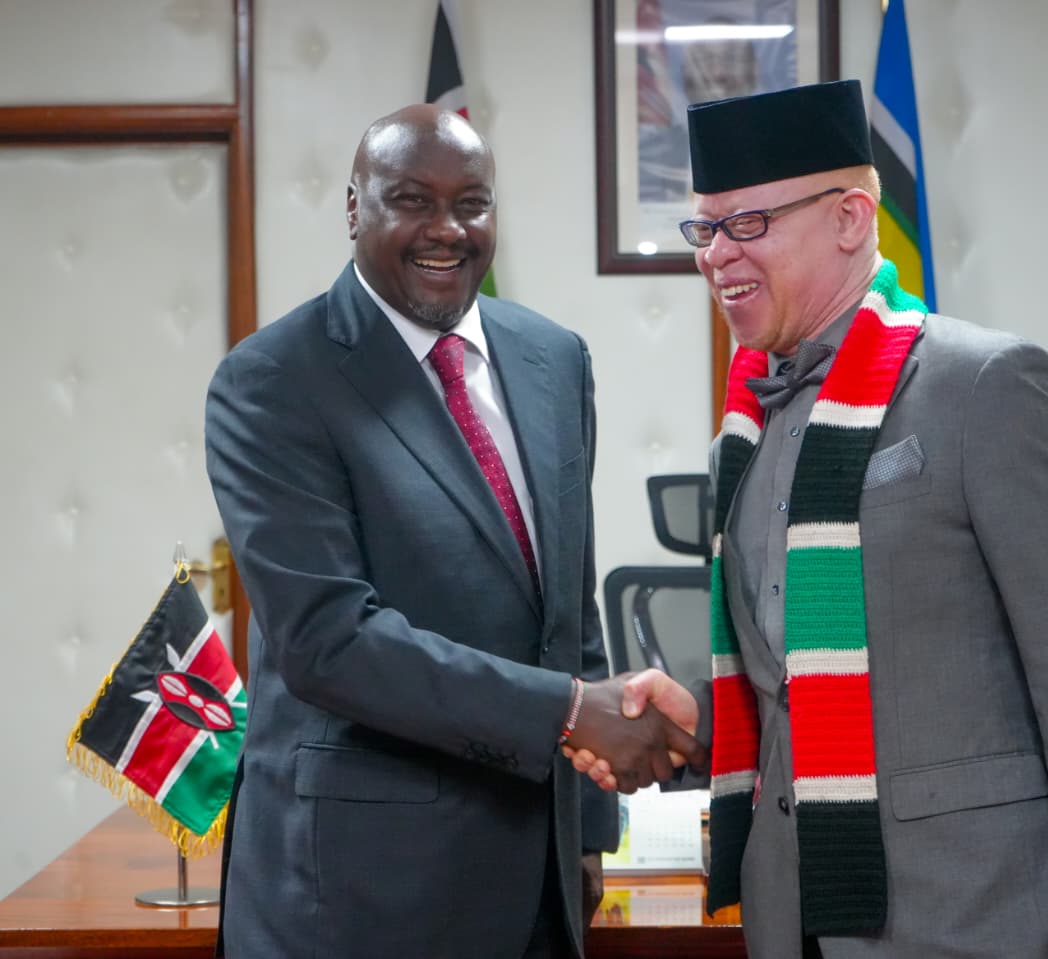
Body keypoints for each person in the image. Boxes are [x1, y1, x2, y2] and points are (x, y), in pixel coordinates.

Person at [568, 80, 1048, 959]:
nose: (717, 255)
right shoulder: (743, 434)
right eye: (705, 228)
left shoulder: (988, 387)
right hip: (794, 919)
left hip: (974, 919)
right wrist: (696, 720)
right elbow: (801, 688)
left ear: (850, 218)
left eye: (748, 223)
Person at [204, 103, 704, 959]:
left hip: (539, 888)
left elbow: (567, 611)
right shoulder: (273, 381)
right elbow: (331, 642)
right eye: (411, 200)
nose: (446, 229)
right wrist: (569, 713)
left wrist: (587, 833)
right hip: (359, 900)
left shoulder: (553, 359)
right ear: (354, 208)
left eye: (471, 203)